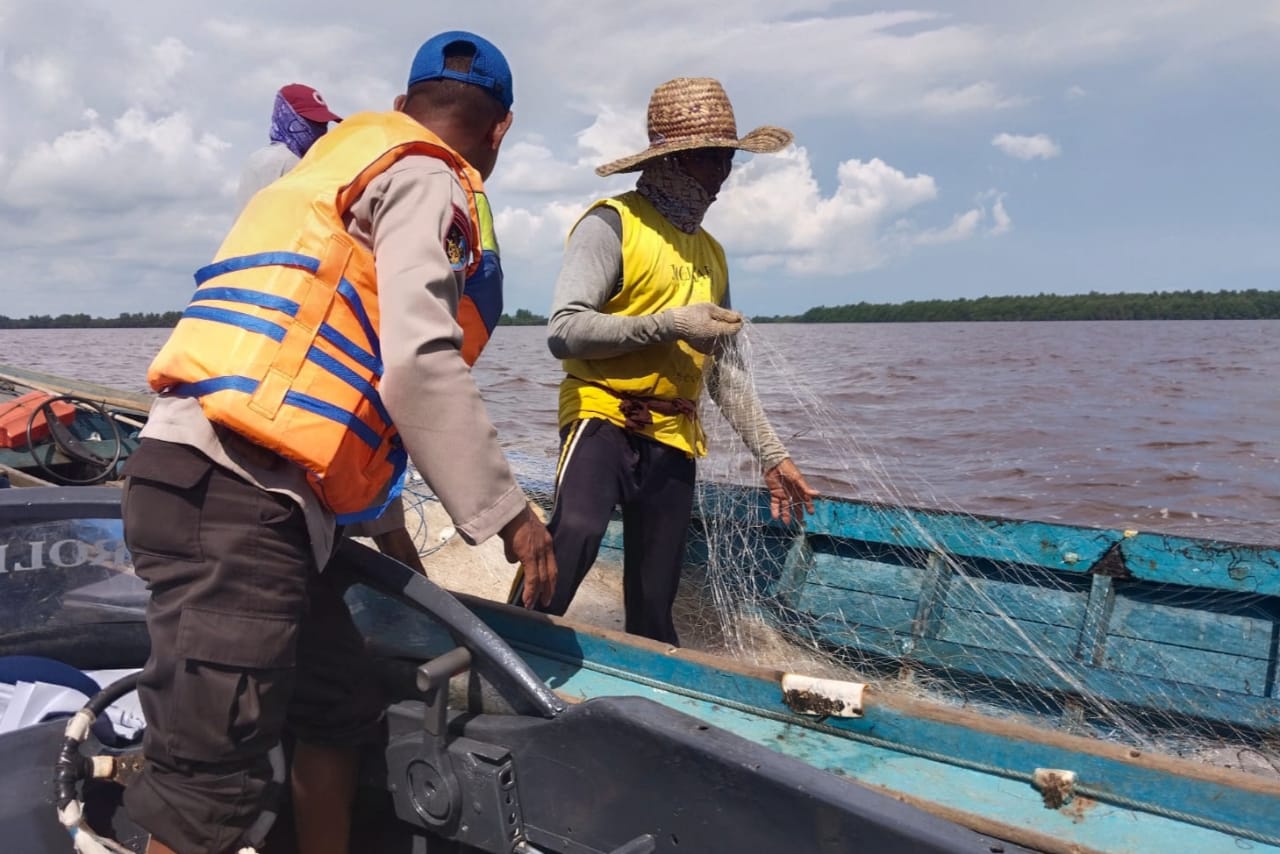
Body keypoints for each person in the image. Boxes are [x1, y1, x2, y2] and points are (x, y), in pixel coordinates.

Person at [121, 30, 554, 854]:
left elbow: (328, 390)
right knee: (204, 784)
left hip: (218, 483)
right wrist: (510, 514)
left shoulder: (332, 169)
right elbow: (418, 364)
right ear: (500, 132)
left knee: (337, 703)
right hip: (236, 498)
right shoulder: (428, 176)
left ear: (400, 107)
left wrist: (384, 529)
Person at [513, 77, 819, 646]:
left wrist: (772, 456)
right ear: (672, 161)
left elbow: (724, 369)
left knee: (656, 591)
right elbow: (564, 331)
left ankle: (651, 695)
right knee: (575, 531)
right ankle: (510, 644)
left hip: (675, 429)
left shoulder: (712, 252)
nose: (723, 173)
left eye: (729, 157)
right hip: (602, 414)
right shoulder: (611, 224)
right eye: (711, 158)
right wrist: (671, 324)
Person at [236, 83, 343, 211]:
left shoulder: (256, 158)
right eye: (313, 122)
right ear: (288, 116)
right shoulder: (289, 161)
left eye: (323, 124)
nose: (321, 130)